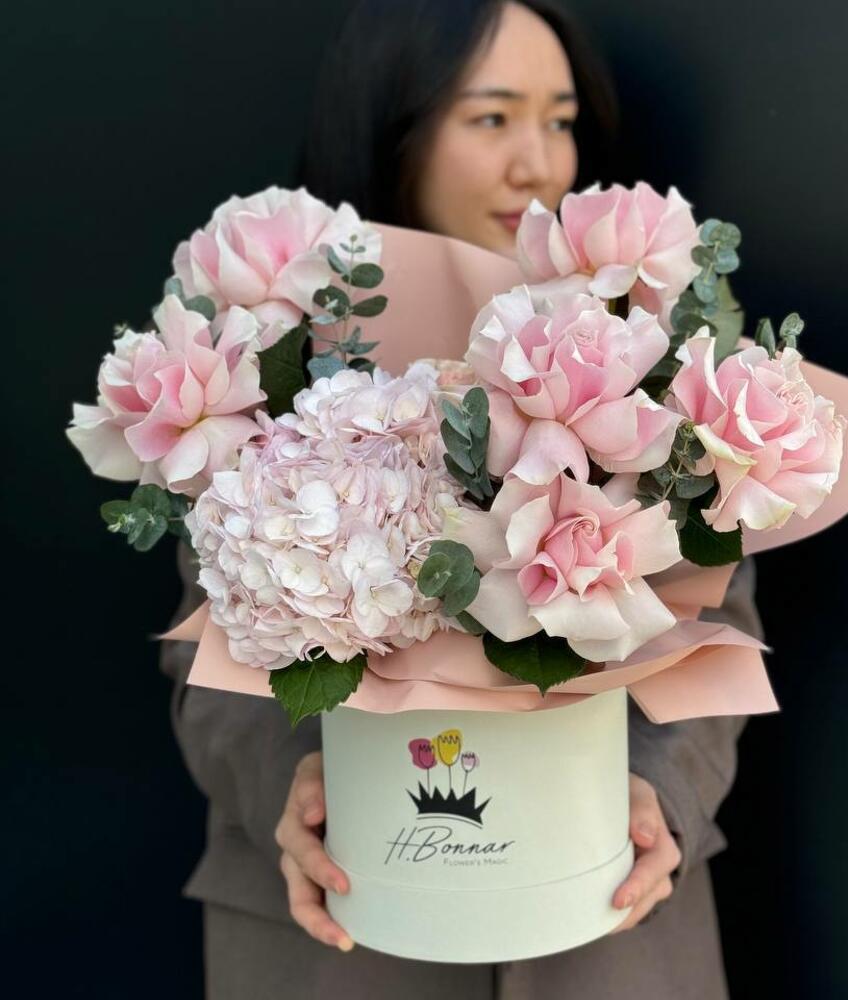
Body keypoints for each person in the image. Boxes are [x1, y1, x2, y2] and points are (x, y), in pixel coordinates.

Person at [159, 2, 766, 996]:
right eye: (492, 117)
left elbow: (716, 617)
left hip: (606, 932)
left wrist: (661, 789)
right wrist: (290, 786)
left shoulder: (637, 347)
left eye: (560, 119)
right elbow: (205, 646)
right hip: (341, 933)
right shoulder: (267, 357)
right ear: (391, 129)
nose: (540, 163)